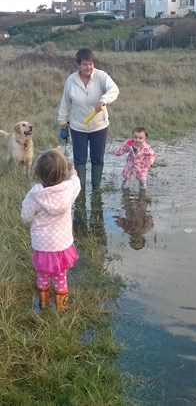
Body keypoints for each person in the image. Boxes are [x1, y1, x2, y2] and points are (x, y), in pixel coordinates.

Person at [21, 149, 81, 311]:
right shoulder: (68, 189)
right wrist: (73, 174)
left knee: (43, 275)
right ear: (63, 172)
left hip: (42, 246)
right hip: (62, 245)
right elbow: (77, 184)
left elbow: (26, 217)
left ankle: (44, 304)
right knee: (61, 276)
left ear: (38, 173)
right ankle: (62, 307)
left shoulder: (35, 194)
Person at [58, 48, 119, 190]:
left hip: (99, 126)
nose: (88, 67)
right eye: (85, 64)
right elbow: (65, 102)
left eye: (91, 64)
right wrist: (62, 121)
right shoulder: (71, 81)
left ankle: (96, 188)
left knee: (97, 158)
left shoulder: (101, 76)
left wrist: (104, 99)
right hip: (78, 126)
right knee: (80, 159)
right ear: (79, 65)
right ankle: (80, 188)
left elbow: (114, 89)